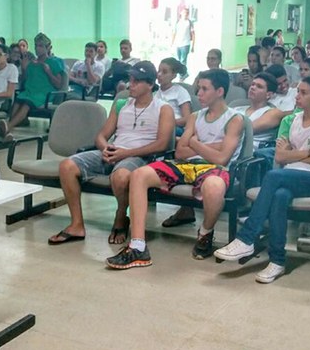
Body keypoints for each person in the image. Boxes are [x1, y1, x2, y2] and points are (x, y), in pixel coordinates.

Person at [106, 69, 244, 268]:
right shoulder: (195, 116)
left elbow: (222, 157)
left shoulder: (235, 119)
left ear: (220, 91)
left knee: (213, 187)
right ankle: (137, 246)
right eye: (199, 88)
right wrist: (210, 146)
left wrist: (195, 144)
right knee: (139, 175)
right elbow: (179, 151)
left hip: (215, 169)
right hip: (186, 165)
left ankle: (205, 232)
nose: (199, 94)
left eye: (205, 89)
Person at [215, 76, 310, 283]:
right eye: (298, 91)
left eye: (304, 93)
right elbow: (280, 156)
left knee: (274, 176)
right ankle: (277, 261)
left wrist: (296, 153)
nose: (297, 96)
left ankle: (247, 237)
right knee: (279, 196)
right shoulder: (292, 120)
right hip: (289, 177)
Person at [48, 61, 174, 246]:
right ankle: (76, 225)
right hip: (113, 152)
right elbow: (101, 135)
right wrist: (104, 148)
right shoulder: (122, 104)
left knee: (121, 177)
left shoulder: (163, 109)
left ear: (150, 85)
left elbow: (162, 144)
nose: (131, 84)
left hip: (139, 156)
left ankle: (121, 216)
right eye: (130, 80)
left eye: (136, 81)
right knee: (67, 166)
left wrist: (126, 153)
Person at [1, 32, 65, 138]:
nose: (37, 49)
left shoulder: (54, 62)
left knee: (26, 104)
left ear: (48, 47)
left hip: (44, 93)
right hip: (29, 91)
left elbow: (59, 85)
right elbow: (25, 80)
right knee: (17, 102)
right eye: (36, 45)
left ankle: (7, 127)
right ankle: (8, 130)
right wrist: (25, 68)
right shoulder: (31, 63)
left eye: (40, 46)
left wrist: (48, 72)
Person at [233, 72, 283, 150]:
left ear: (268, 95)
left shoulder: (272, 112)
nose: (253, 87)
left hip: (250, 157)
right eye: (252, 84)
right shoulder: (237, 109)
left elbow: (246, 130)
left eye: (259, 86)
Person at [155, 57, 191, 136]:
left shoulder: (180, 91)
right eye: (159, 71)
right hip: (156, 126)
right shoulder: (155, 93)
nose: (159, 74)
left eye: (164, 72)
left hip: (175, 127)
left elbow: (187, 119)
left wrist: (166, 123)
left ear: (173, 75)